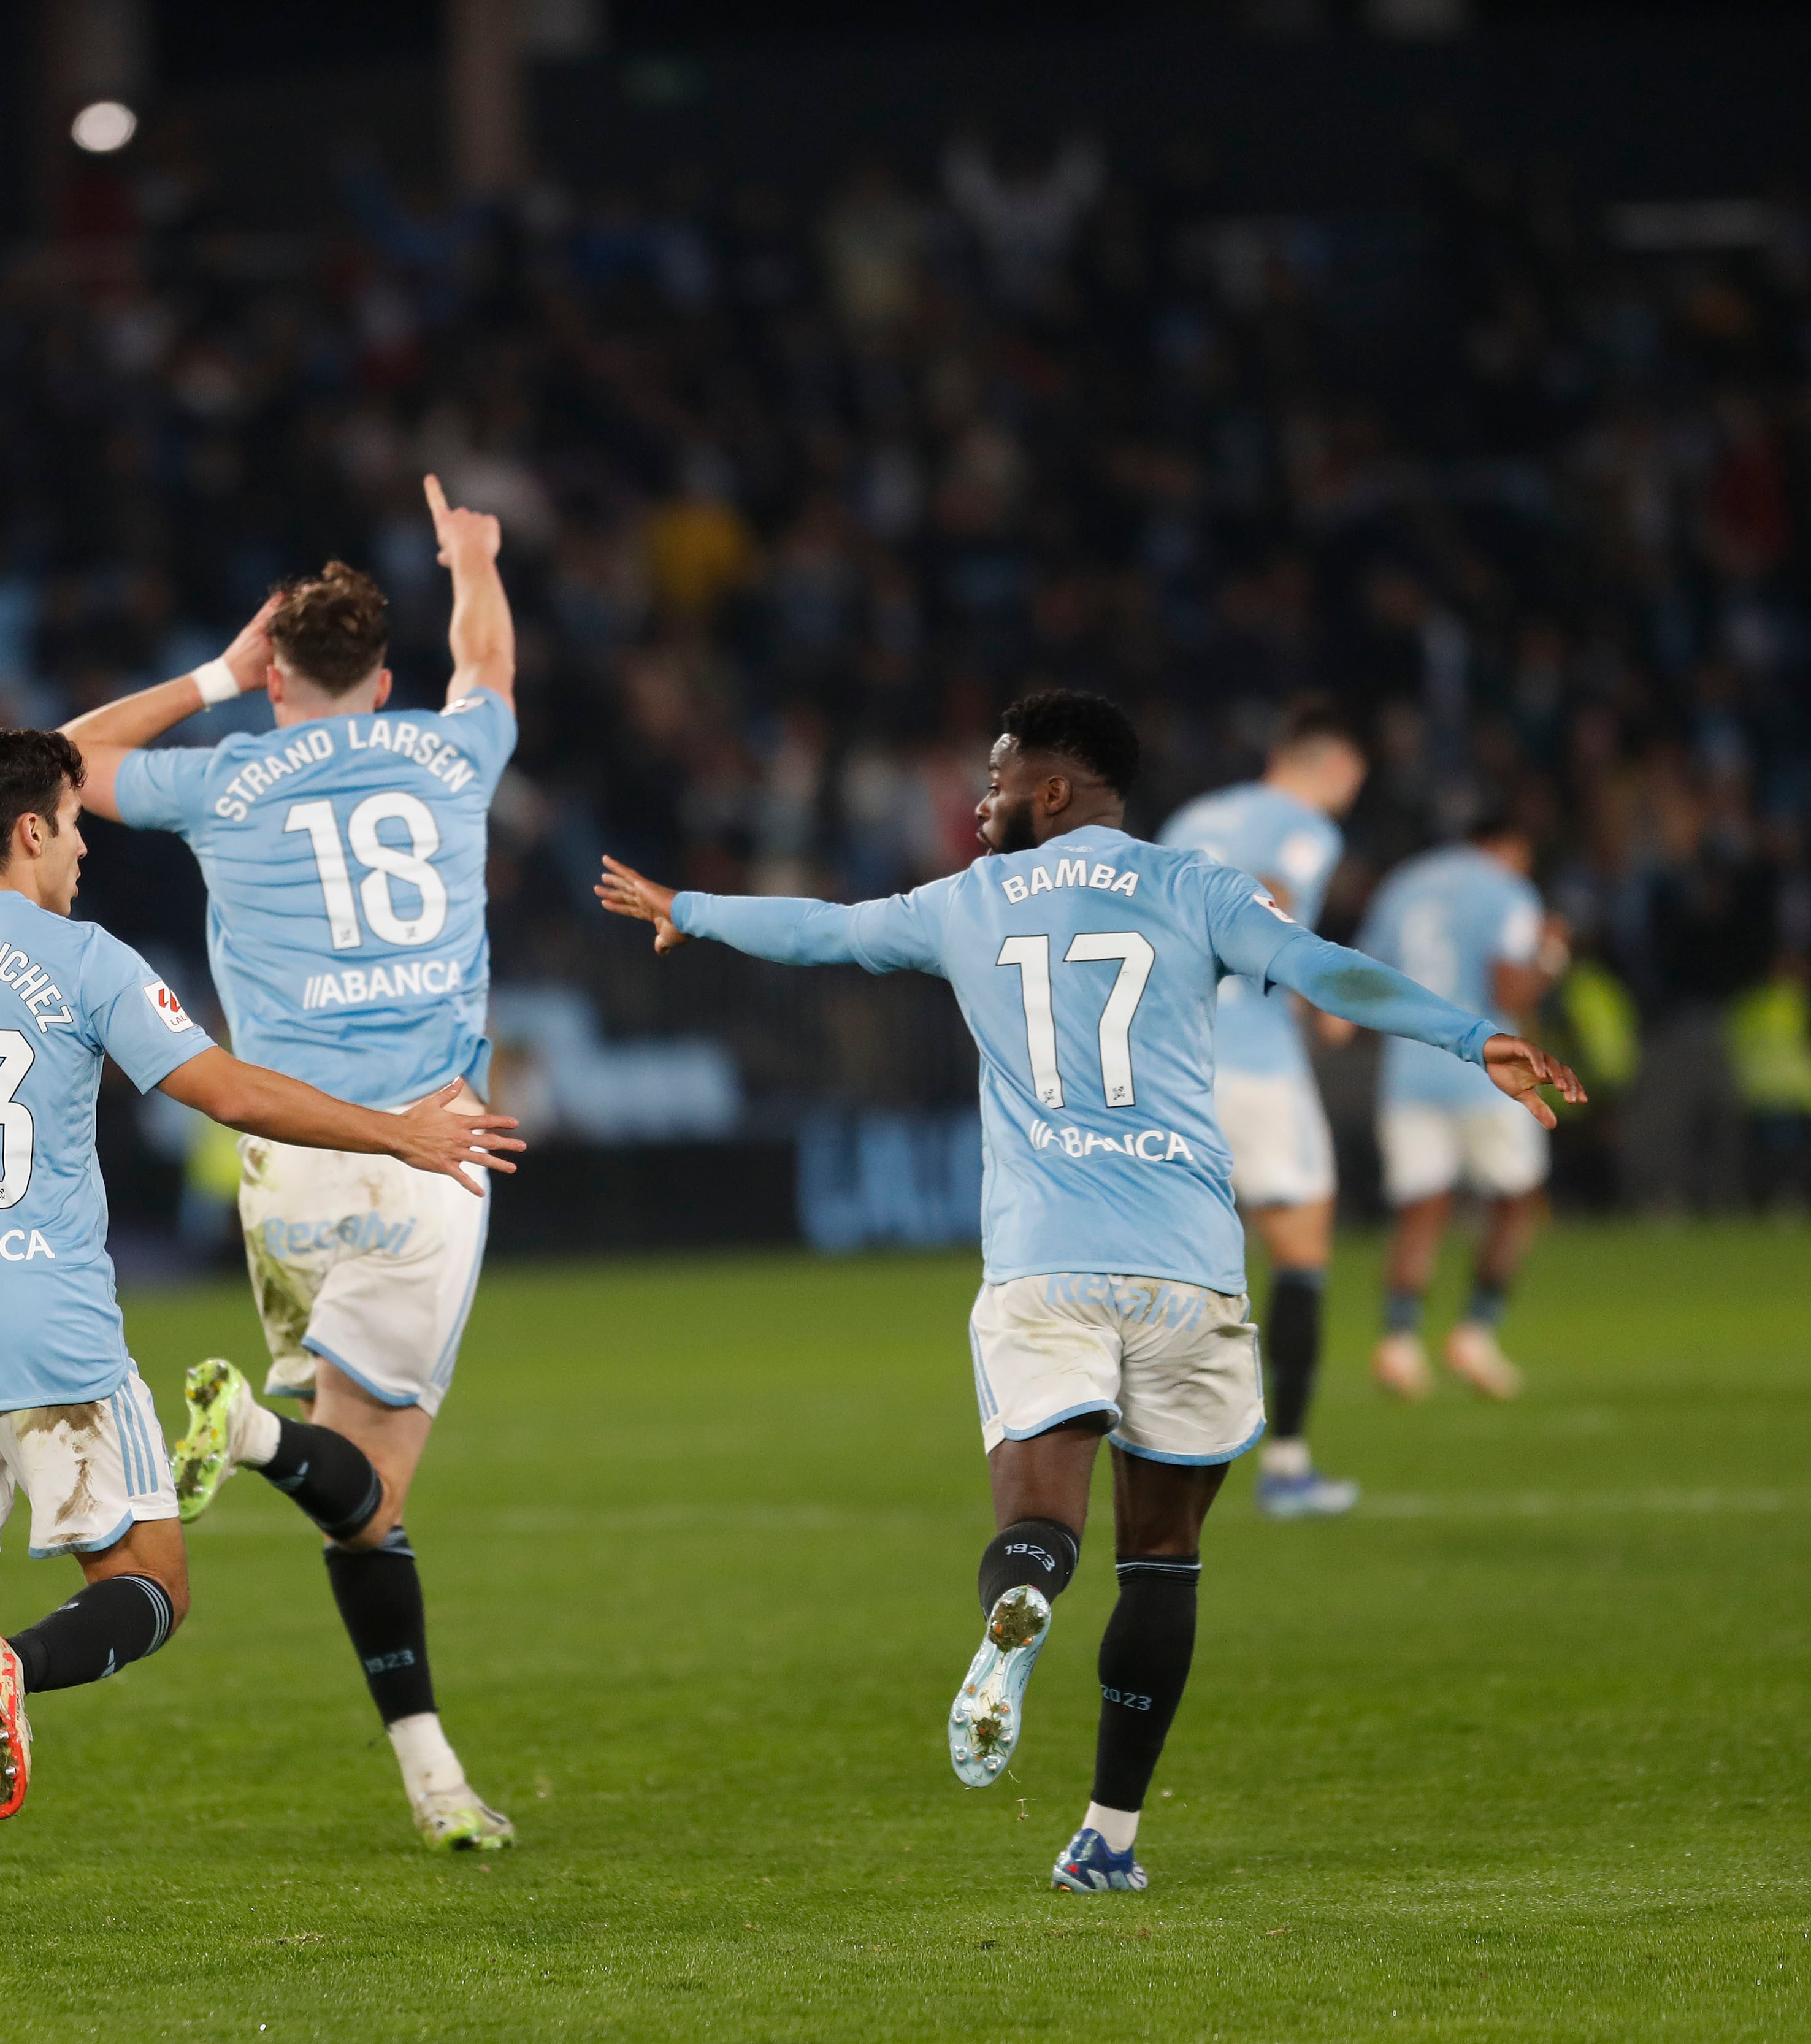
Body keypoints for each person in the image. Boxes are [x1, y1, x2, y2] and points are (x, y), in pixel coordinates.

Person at [595, 689, 1579, 1894]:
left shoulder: (963, 902)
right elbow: (1328, 972)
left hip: (1043, 1265)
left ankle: (1018, 1597)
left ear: (1055, 790)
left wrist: (688, 910)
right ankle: (1107, 1836)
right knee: (1161, 1560)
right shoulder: (1198, 886)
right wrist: (1475, 1036)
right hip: (1185, 1268)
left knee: (1039, 1522)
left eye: (1000, 775)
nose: (982, 795)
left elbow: (827, 932)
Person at [0, 726, 523, 1939]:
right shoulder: (81, 959)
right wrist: (397, 1132)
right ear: (29, 829)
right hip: (54, 1337)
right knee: (153, 1586)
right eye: (74, 826)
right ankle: (16, 1666)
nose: (83, 849)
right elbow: (225, 1092)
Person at [61, 475, 522, 1850]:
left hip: (285, 1160)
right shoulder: (452, 754)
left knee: (358, 1513)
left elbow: (64, 757)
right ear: (384, 679)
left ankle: (432, 1775)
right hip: (427, 1147)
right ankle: (249, 1434)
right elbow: (486, 660)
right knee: (370, 1490)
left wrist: (213, 668)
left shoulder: (227, 776)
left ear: (277, 682)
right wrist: (472, 560)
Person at [1157, 699, 1368, 1517]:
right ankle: (1287, 1465)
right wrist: (1321, 992)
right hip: (1252, 1059)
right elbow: (1273, 895)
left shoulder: (1190, 815)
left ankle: (1148, 1447)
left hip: (1170, 1058)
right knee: (1301, 1243)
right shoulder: (1306, 826)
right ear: (1334, 766)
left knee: (1176, 1261)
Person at [1358, 817, 1567, 1401]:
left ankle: (1399, 1342)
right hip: (1486, 1072)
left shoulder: (1404, 884)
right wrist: (1551, 955)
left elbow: (1368, 978)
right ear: (1508, 845)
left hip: (1409, 1072)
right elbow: (1511, 993)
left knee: (1420, 1207)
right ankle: (1476, 1330)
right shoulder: (1506, 889)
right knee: (1519, 1198)